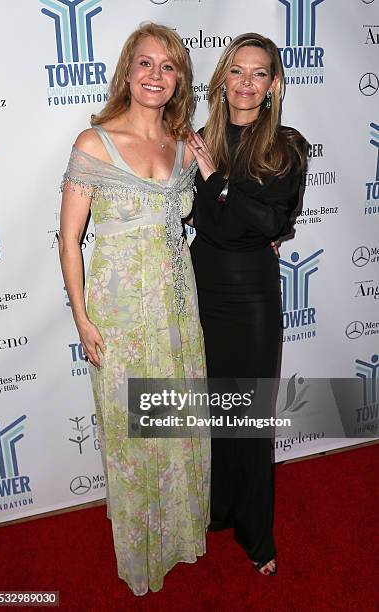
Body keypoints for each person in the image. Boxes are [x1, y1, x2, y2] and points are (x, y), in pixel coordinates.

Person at [58, 23, 210, 596]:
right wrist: (81, 318)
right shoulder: (94, 143)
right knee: (131, 437)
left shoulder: (182, 145)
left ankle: (179, 535)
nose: (155, 76)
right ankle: (143, 554)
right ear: (128, 70)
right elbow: (69, 239)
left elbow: (199, 218)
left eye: (168, 67)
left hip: (177, 311)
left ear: (179, 80)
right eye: (145, 63)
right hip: (120, 319)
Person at [187, 33, 307, 576]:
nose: (246, 83)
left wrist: (218, 182)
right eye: (236, 71)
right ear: (222, 81)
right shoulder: (197, 142)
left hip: (253, 296)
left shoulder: (287, 146)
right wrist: (233, 204)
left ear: (273, 83)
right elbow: (210, 224)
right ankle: (220, 510)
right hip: (202, 287)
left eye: (258, 73)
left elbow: (271, 223)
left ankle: (257, 533)